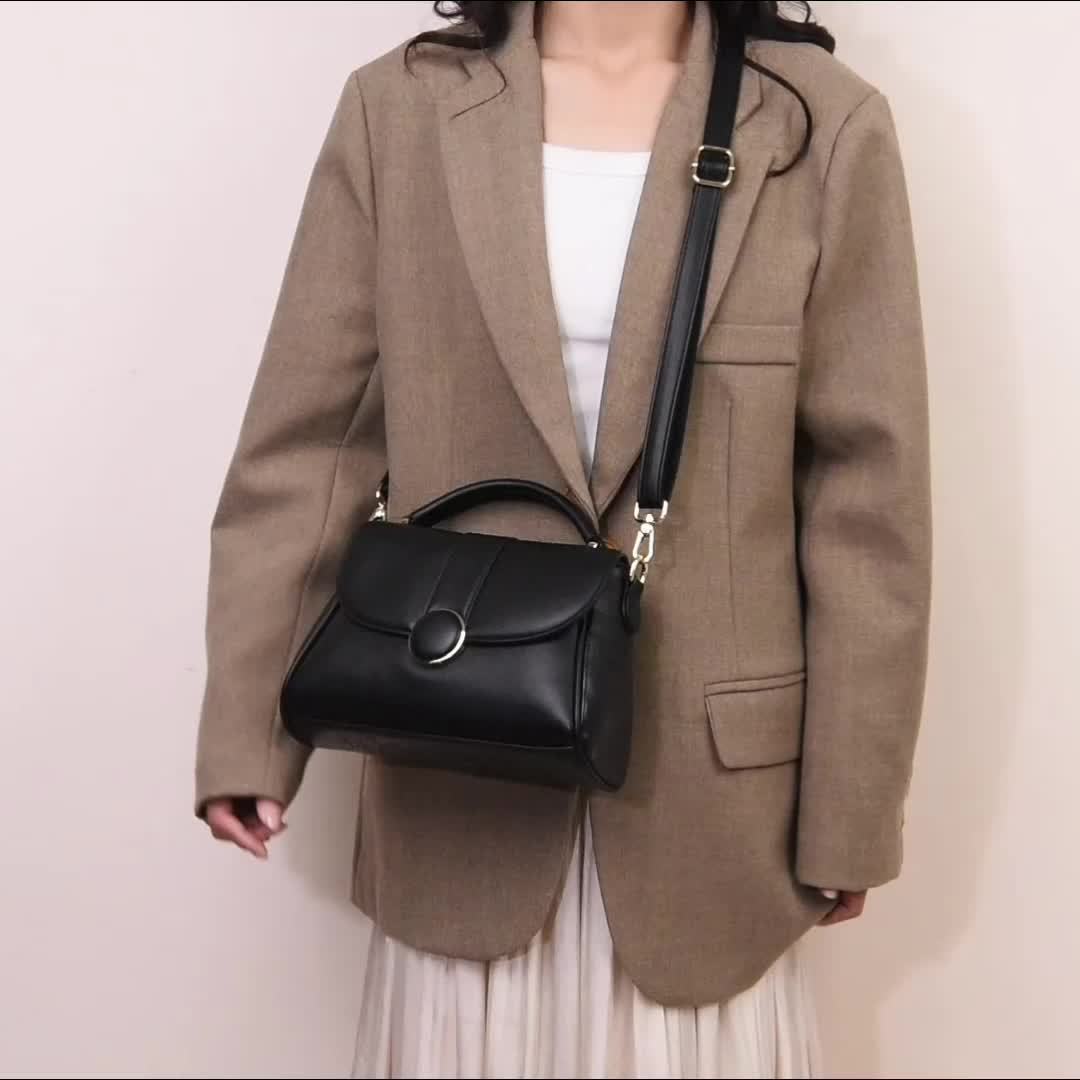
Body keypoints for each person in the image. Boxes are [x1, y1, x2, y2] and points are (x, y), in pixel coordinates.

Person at [194, 1, 932, 1076]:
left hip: (712, 830)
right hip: (455, 789)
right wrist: (251, 731)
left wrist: (850, 809)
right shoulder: (399, 110)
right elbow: (309, 444)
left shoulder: (820, 125)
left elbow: (869, 503)